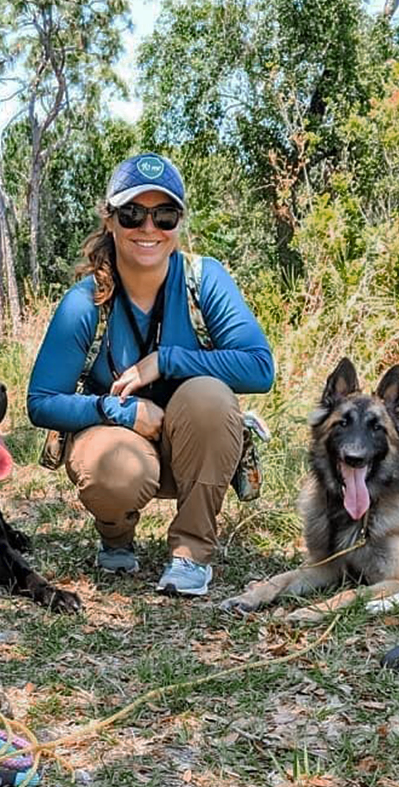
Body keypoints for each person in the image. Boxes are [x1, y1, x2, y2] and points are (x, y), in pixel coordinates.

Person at [27, 153, 275, 597]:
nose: (148, 229)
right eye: (132, 214)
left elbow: (259, 367)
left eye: (164, 215)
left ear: (179, 223)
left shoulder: (205, 279)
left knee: (210, 398)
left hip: (194, 447)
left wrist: (167, 360)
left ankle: (191, 555)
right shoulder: (85, 302)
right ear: (110, 221)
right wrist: (119, 411)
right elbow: (41, 401)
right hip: (118, 447)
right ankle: (116, 536)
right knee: (118, 469)